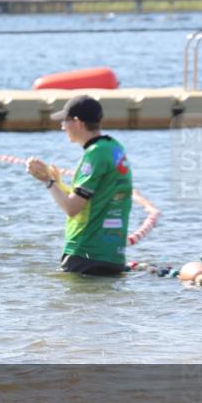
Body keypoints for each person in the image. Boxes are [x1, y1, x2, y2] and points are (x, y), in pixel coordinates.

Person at [26, 95, 132, 276]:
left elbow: (72, 208)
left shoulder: (95, 154)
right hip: (113, 257)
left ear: (77, 122)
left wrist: (48, 181)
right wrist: (58, 183)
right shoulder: (114, 147)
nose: (62, 127)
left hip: (85, 254)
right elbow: (93, 200)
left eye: (65, 121)